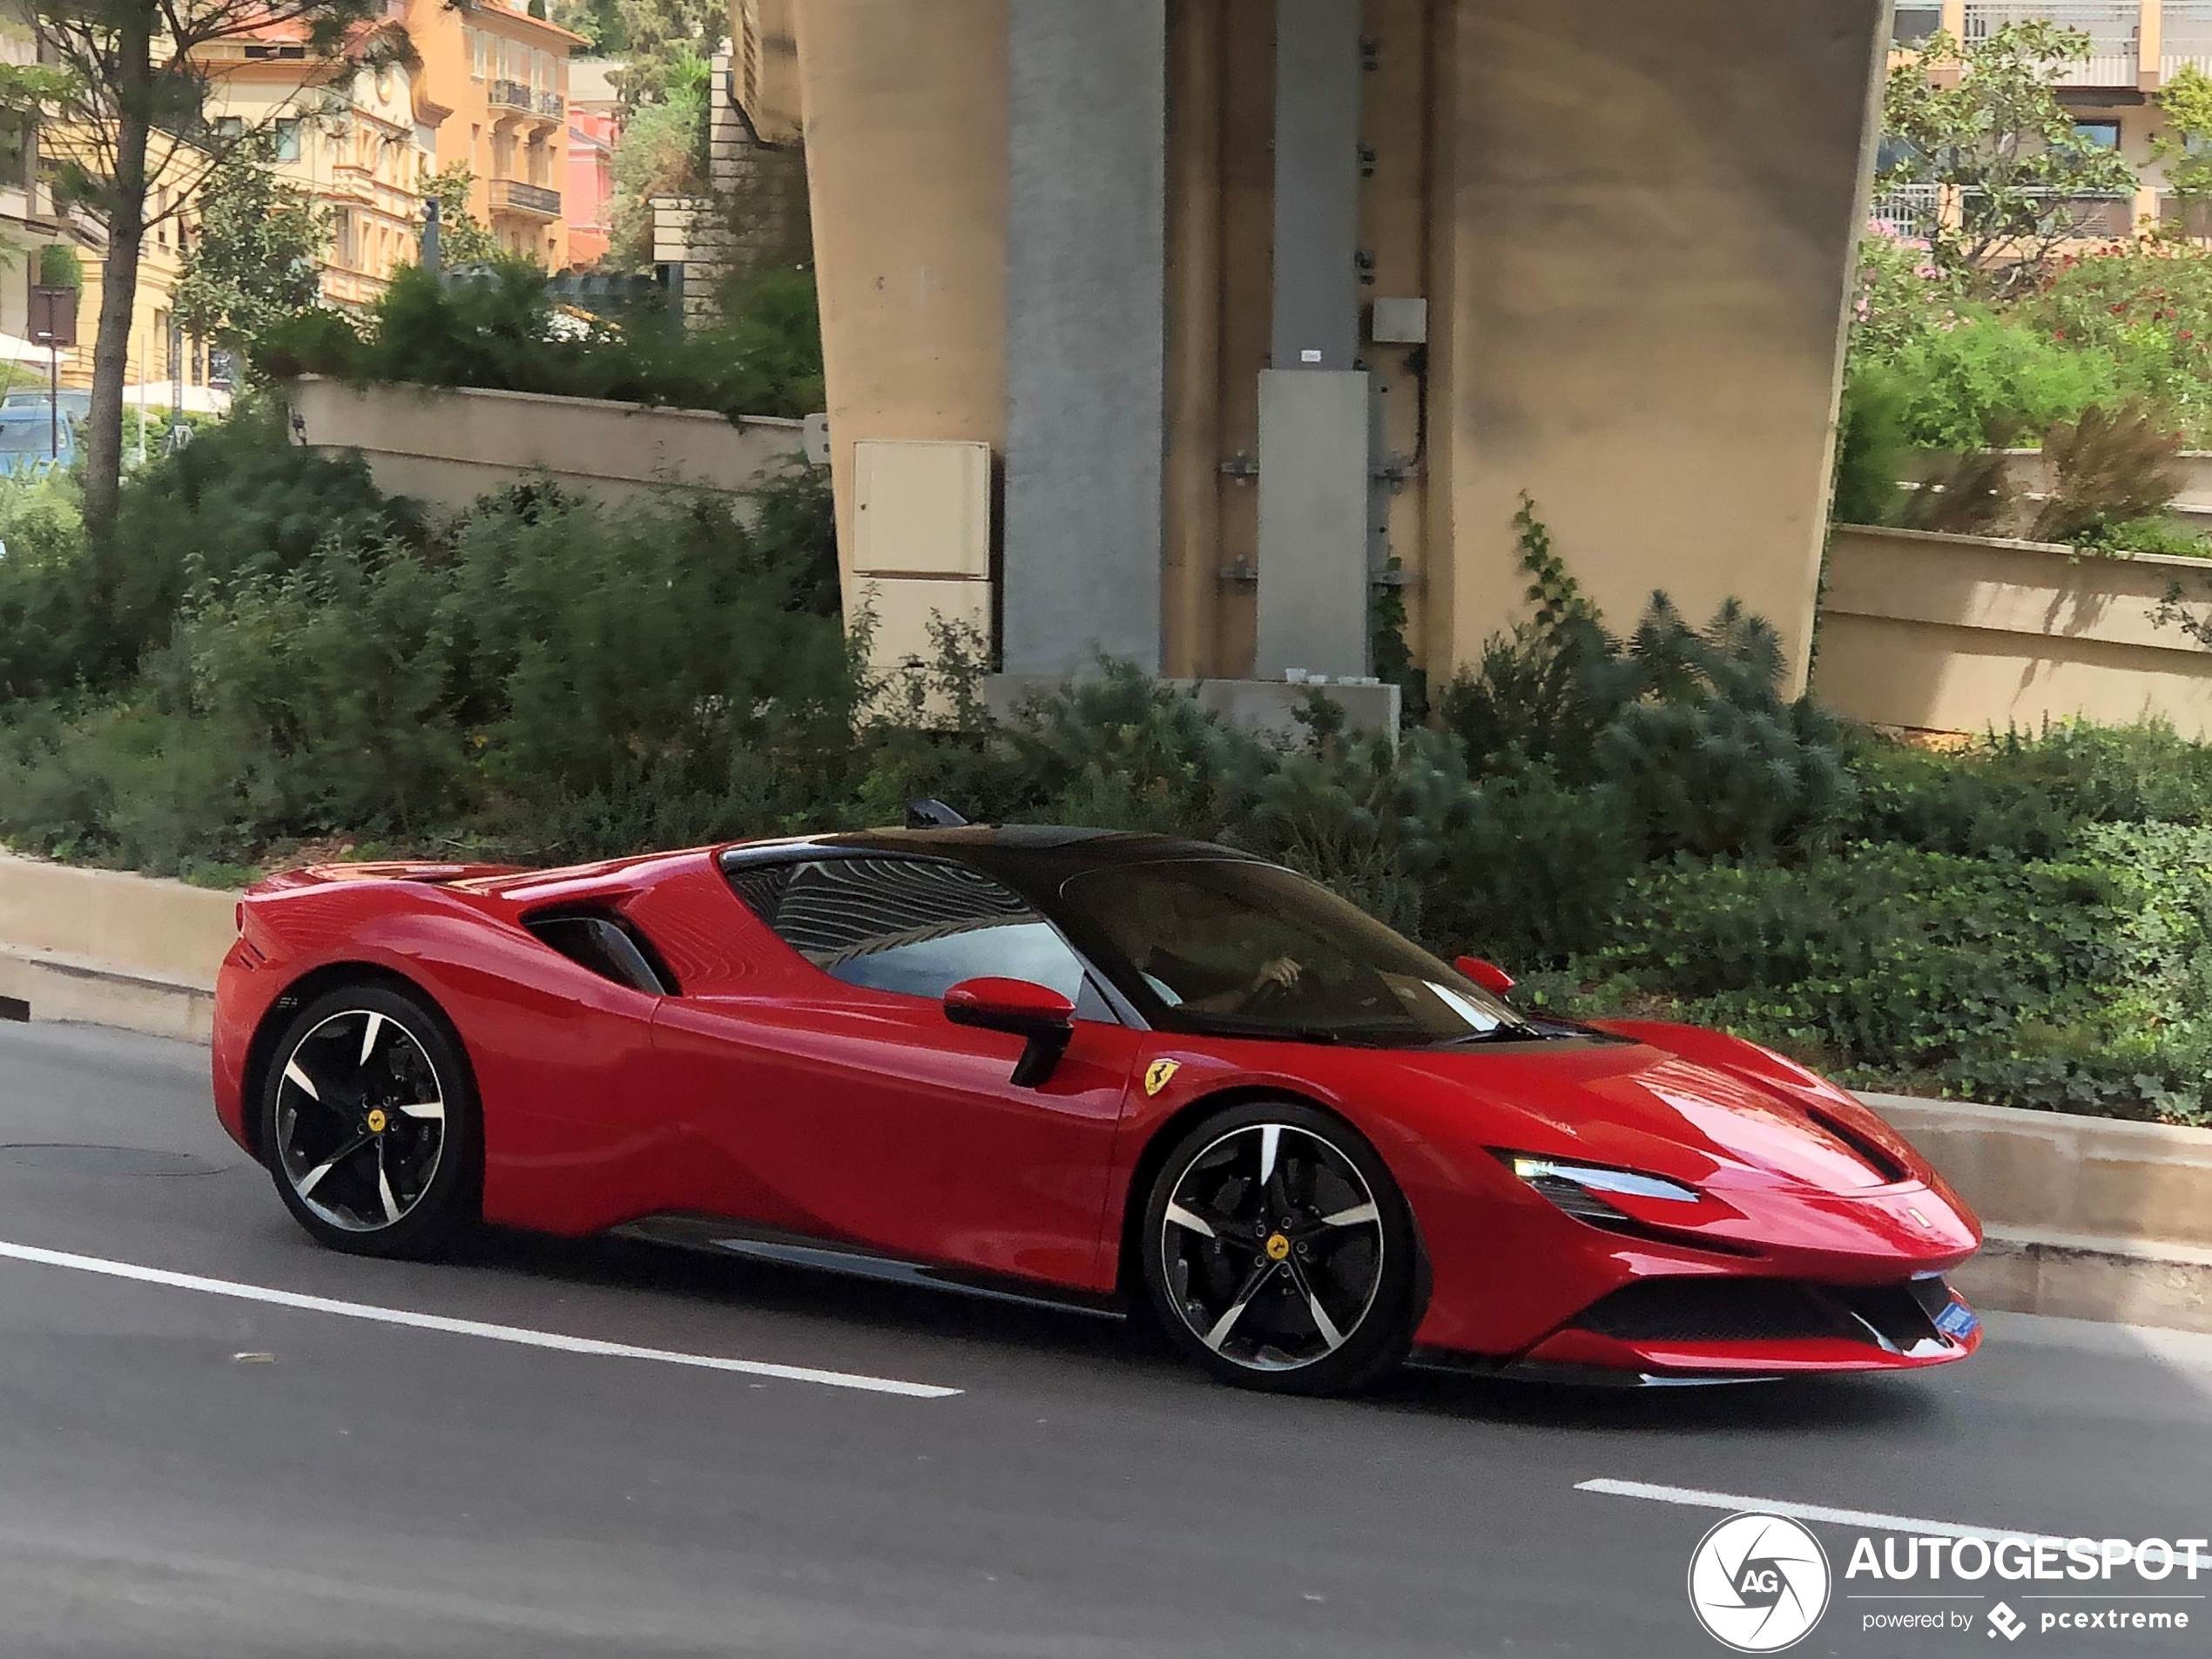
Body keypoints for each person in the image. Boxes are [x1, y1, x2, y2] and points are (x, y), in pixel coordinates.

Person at [1092, 877, 1305, 1015]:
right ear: (1106, 928)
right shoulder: (1107, 989)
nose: (1149, 929)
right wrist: (1249, 991)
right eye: (1132, 918)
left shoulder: (1145, 976)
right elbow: (1173, 1018)